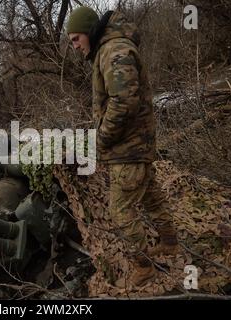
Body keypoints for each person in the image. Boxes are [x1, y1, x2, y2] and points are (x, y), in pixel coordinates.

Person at [66, 7, 179, 286]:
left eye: (76, 39)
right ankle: (170, 242)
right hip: (133, 146)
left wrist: (101, 139)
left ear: (90, 31)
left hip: (128, 148)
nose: (75, 46)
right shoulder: (108, 49)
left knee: (121, 211)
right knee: (151, 195)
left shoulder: (114, 50)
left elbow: (123, 102)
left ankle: (144, 266)